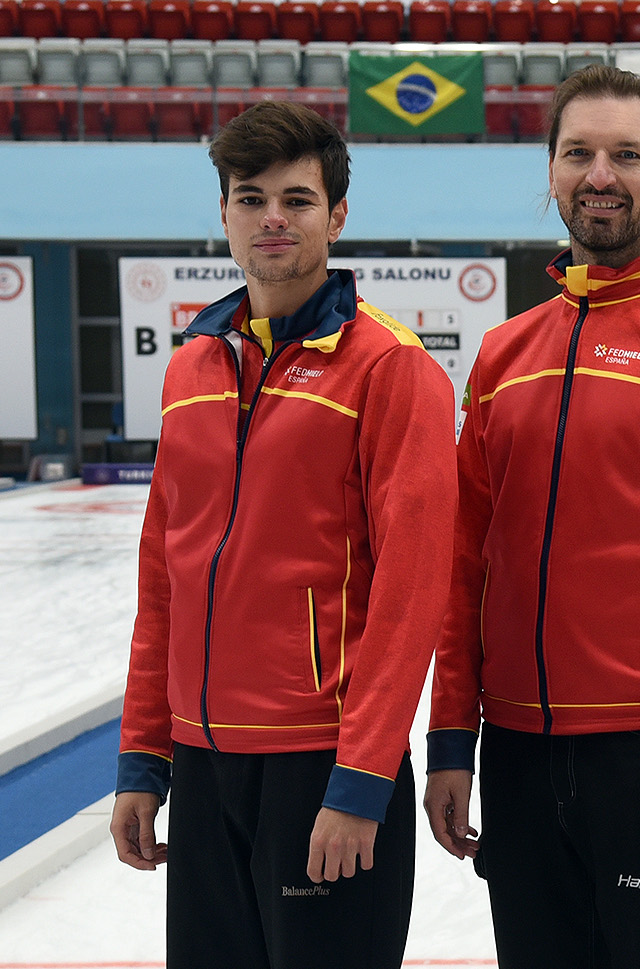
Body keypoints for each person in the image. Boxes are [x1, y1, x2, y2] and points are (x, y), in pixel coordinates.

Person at [423, 65, 640, 969]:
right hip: (513, 752)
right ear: (550, 171)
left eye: (627, 154)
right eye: (578, 152)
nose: (600, 174)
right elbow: (466, 563)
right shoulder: (504, 353)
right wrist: (450, 738)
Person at [109, 100, 456, 969]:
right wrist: (144, 752)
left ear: (336, 217)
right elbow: (166, 574)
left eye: (297, 200)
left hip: (319, 763)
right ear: (223, 212)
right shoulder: (194, 365)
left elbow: (412, 591)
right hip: (201, 760)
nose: (272, 218)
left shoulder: (390, 368)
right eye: (250, 196)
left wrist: (363, 775)